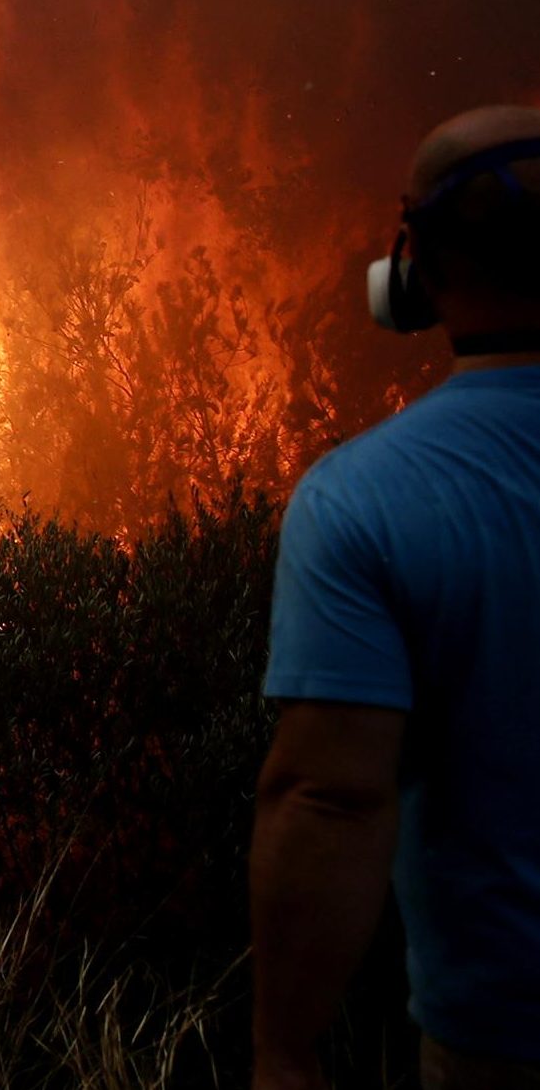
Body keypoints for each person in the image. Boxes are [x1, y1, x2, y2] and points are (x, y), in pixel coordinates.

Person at [255, 105, 540, 1090]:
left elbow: (332, 795)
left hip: (503, 1040)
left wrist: (285, 1051)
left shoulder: (363, 498)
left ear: (412, 266)